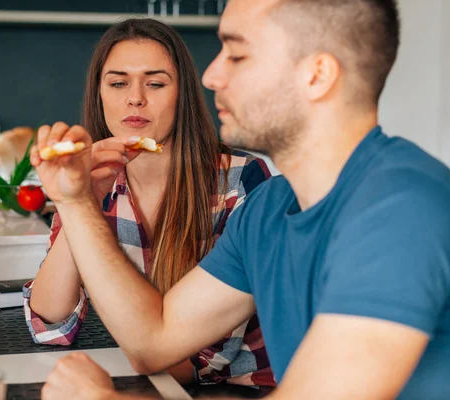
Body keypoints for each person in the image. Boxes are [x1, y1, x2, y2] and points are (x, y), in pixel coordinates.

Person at [34, 0, 450, 399]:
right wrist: (76, 201)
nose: (211, 76)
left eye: (237, 55)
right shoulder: (270, 207)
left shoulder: (402, 208)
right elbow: (153, 340)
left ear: (316, 75)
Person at [25, 18, 274, 387]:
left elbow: (209, 357)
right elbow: (51, 326)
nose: (135, 97)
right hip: (149, 379)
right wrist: (81, 201)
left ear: (182, 95)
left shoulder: (240, 177)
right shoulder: (91, 176)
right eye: (118, 82)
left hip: (242, 390)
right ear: (100, 94)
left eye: (155, 83)